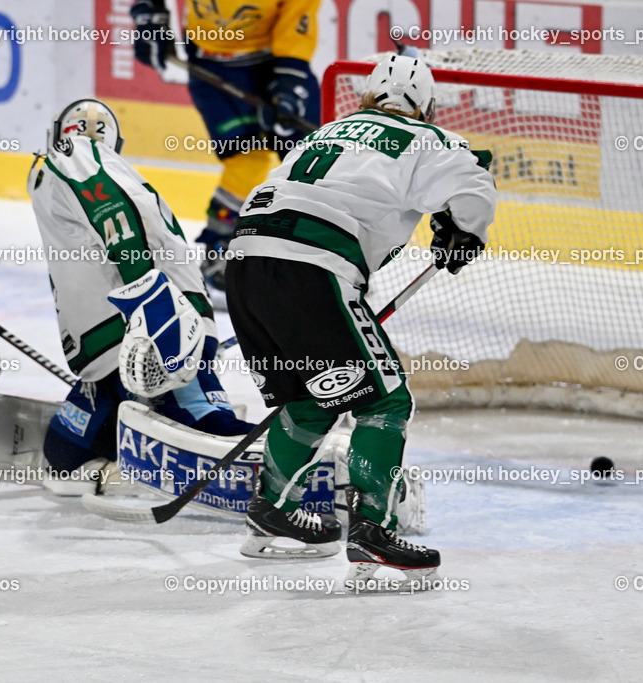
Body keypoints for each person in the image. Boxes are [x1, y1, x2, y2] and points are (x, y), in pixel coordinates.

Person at [225, 54, 497, 589]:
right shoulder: (424, 137)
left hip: (244, 261)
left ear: (366, 97)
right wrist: (463, 231)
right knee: (384, 400)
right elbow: (474, 185)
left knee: (310, 395)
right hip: (313, 262)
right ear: (426, 106)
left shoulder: (324, 133)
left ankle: (272, 511)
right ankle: (373, 530)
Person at [27, 98, 252, 482]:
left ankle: (292, 474)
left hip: (157, 335)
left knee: (214, 433)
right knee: (63, 456)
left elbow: (113, 213)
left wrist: (154, 308)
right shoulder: (75, 173)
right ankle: (132, 437)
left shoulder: (75, 153)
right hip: (114, 349)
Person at [130, 0, 321, 295]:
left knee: (308, 158)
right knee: (245, 157)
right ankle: (220, 252)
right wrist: (149, 14)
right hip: (210, 63)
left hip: (273, 60)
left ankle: (321, 252)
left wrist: (289, 78)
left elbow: (299, 14)